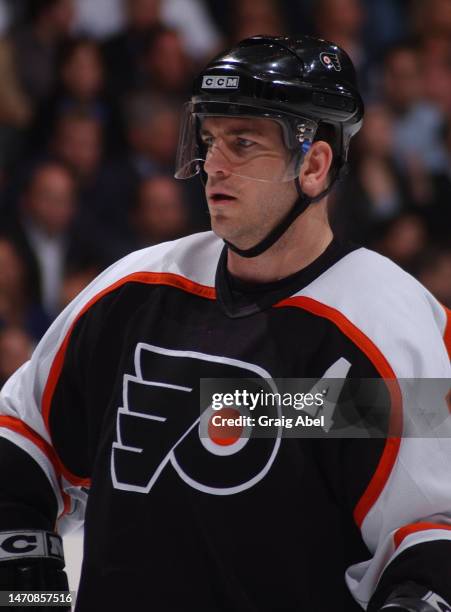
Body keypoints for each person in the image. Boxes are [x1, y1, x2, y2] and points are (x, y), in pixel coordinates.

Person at [0, 35, 450, 612]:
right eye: (210, 140)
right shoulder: (133, 293)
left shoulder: (389, 324)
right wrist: (29, 599)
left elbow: (428, 541)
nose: (213, 165)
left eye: (242, 143)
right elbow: (22, 446)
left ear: (313, 165)